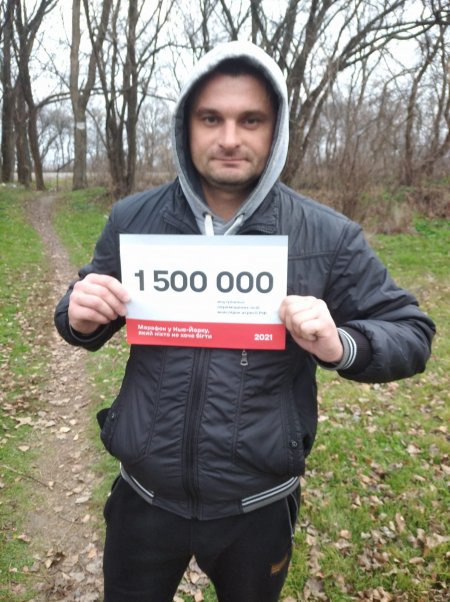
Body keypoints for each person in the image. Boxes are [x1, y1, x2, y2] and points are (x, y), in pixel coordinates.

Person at [54, 41, 435, 602]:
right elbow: (87, 310)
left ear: (275, 128)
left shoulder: (327, 236)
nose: (230, 138)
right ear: (186, 125)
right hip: (143, 499)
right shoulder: (134, 218)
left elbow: (412, 331)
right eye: (211, 118)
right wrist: (78, 315)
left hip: (257, 510)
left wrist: (341, 344)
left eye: (250, 120)